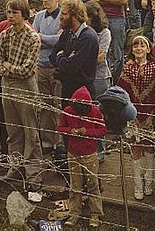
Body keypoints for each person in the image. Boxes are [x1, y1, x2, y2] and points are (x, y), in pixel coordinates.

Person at [0, 0, 43, 191]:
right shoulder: (5, 35)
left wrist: (8, 66)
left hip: (25, 88)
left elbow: (27, 70)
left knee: (30, 131)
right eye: (9, 12)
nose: (11, 16)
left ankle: (34, 173)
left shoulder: (32, 38)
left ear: (24, 14)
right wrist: (9, 67)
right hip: (8, 86)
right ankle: (16, 165)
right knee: (13, 130)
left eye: (15, 13)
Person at [56, 85, 106, 229]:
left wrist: (87, 131)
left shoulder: (95, 112)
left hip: (90, 154)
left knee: (93, 185)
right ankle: (74, 213)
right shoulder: (68, 112)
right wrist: (71, 131)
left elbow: (102, 130)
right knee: (75, 185)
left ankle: (96, 213)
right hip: (73, 153)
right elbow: (60, 128)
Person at [118, 35, 155, 201]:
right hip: (133, 114)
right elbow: (122, 91)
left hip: (150, 114)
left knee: (149, 147)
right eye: (135, 46)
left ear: (148, 49)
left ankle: (149, 183)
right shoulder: (127, 68)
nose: (139, 48)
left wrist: (153, 113)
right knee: (136, 148)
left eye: (142, 45)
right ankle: (138, 185)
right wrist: (128, 112)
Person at [32, 0, 63, 152]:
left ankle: (59, 141)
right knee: (44, 105)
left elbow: (59, 41)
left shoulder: (62, 18)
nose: (45, 0)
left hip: (56, 67)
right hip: (40, 66)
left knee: (58, 104)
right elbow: (33, 39)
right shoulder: (38, 16)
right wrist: (45, 40)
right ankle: (47, 140)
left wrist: (41, 38)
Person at [49, 0, 100, 101]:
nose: (61, 17)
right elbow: (52, 56)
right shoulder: (67, 33)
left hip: (83, 93)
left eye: (64, 14)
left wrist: (61, 56)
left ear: (75, 17)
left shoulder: (88, 37)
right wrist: (64, 59)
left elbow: (71, 67)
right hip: (67, 90)